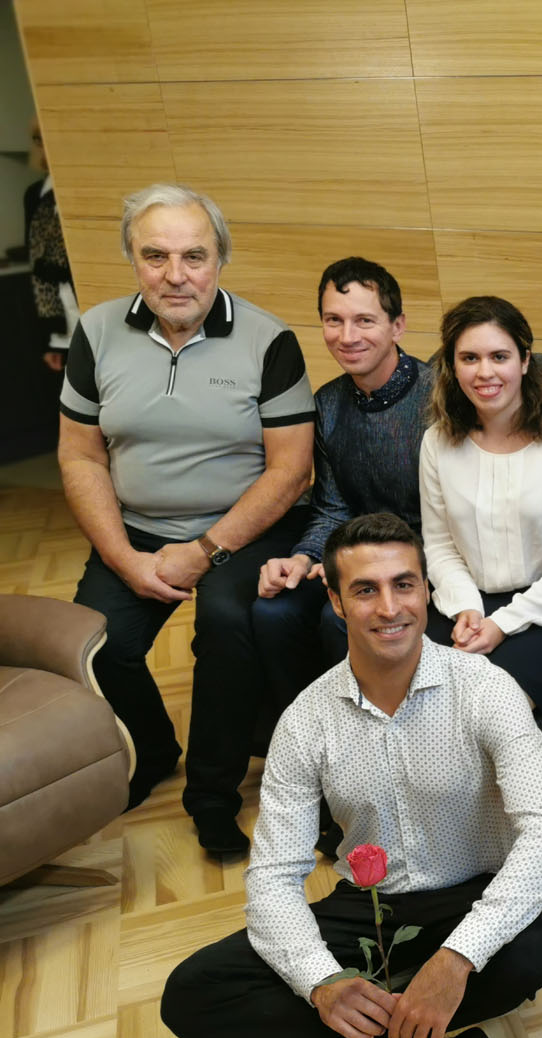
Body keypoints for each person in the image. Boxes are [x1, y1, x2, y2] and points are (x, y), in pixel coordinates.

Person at [161, 513, 542, 1038]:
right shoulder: (305, 721)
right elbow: (275, 876)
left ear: (427, 591)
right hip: (368, 902)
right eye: (365, 590)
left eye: (404, 585)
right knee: (191, 993)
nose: (390, 608)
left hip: (467, 896)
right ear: (333, 601)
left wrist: (456, 959)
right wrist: (322, 983)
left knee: (530, 953)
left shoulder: (486, 690)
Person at [57, 182, 314, 856]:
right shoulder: (96, 331)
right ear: (133, 262)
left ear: (220, 260)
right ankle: (155, 748)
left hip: (243, 529)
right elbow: (80, 455)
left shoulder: (270, 340)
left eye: (194, 256)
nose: (176, 275)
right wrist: (123, 557)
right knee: (99, 648)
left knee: (226, 627)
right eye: (156, 256)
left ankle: (211, 798)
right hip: (134, 527)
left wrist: (203, 550)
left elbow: (290, 471)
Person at [253, 257, 433, 718]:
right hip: (355, 556)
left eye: (364, 321)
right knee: (273, 612)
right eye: (334, 320)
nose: (347, 336)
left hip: (428, 557)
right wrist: (303, 556)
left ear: (398, 326)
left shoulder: (440, 398)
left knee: (339, 621)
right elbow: (331, 507)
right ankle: (305, 739)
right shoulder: (327, 404)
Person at [420, 295, 542, 709]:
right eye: (469, 358)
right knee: (422, 699)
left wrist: (501, 624)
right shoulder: (436, 442)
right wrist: (467, 608)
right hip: (464, 598)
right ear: (453, 366)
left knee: (496, 706)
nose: (485, 372)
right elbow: (439, 545)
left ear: (524, 360)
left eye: (499, 356)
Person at [25, 118, 77, 372]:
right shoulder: (34, 195)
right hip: (58, 320)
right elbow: (35, 266)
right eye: (38, 140)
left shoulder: (81, 188)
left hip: (89, 305)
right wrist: (49, 341)